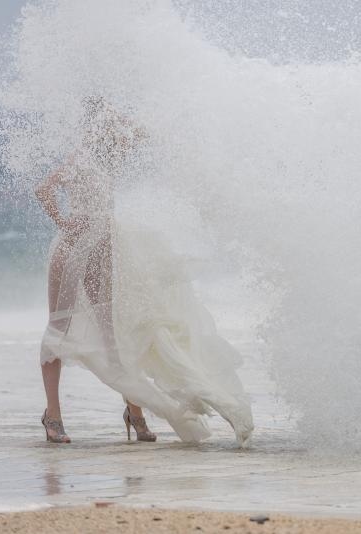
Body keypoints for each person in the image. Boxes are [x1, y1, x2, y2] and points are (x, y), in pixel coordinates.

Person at [35, 96, 254, 446]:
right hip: (72, 250)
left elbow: (147, 137)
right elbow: (44, 190)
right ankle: (53, 415)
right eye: (106, 124)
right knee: (59, 328)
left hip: (103, 248)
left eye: (112, 125)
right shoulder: (80, 157)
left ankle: (134, 413)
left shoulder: (110, 157)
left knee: (113, 332)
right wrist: (63, 222)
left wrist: (122, 116)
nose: (113, 130)